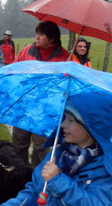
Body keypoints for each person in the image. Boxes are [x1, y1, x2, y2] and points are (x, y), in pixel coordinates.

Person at [11, 21, 70, 167]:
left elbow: (67, 86)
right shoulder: (26, 51)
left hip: (46, 111)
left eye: (42, 34)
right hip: (23, 106)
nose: (37, 37)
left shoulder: (64, 57)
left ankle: (36, 180)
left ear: (52, 39)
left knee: (41, 147)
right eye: (37, 33)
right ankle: (20, 178)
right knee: (19, 145)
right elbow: (13, 73)